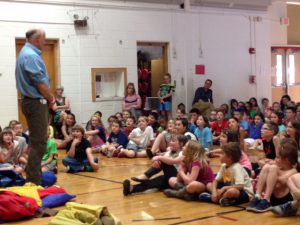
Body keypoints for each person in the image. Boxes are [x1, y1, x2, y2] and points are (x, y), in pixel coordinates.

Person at [15, 28, 57, 185]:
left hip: (30, 101)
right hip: (35, 102)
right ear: (37, 39)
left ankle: (34, 178)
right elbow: (40, 83)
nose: (45, 42)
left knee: (36, 142)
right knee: (39, 143)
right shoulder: (31, 55)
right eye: (44, 39)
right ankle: (33, 182)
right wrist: (51, 99)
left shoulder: (25, 53)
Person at [122, 135, 188, 196]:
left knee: (164, 161)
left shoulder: (183, 153)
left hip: (179, 179)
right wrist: (158, 160)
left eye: (173, 141)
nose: (170, 142)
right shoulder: (169, 152)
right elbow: (163, 160)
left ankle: (145, 175)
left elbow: (172, 161)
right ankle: (132, 188)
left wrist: (159, 158)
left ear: (181, 144)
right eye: (170, 140)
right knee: (154, 182)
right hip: (170, 179)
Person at [247, 138, 298, 213]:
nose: (275, 159)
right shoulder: (278, 168)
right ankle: (257, 196)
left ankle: (266, 199)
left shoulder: (293, 171)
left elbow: (283, 181)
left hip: (284, 200)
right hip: (272, 198)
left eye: (277, 158)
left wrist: (271, 174)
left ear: (286, 160)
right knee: (267, 167)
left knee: (272, 168)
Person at [199, 142, 254, 206]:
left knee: (232, 191)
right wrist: (214, 192)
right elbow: (216, 180)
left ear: (229, 157)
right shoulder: (224, 166)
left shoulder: (236, 167)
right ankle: (221, 199)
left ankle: (213, 199)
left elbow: (240, 186)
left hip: (244, 193)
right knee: (209, 184)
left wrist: (225, 188)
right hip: (228, 188)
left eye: (222, 154)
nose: (219, 156)